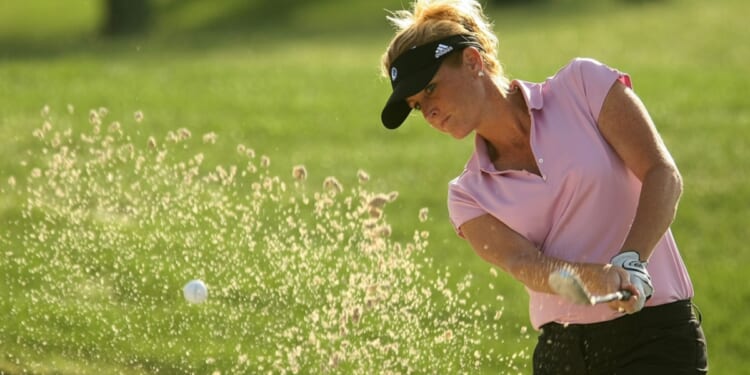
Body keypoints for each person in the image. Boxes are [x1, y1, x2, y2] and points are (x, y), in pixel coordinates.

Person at [378, 0, 708, 373]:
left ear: (472, 61)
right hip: (563, 355)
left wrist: (632, 260)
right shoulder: (467, 195)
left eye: (432, 89)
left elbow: (662, 174)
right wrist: (589, 276)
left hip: (657, 337)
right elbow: (523, 262)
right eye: (418, 106)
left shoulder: (583, 87)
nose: (430, 112)